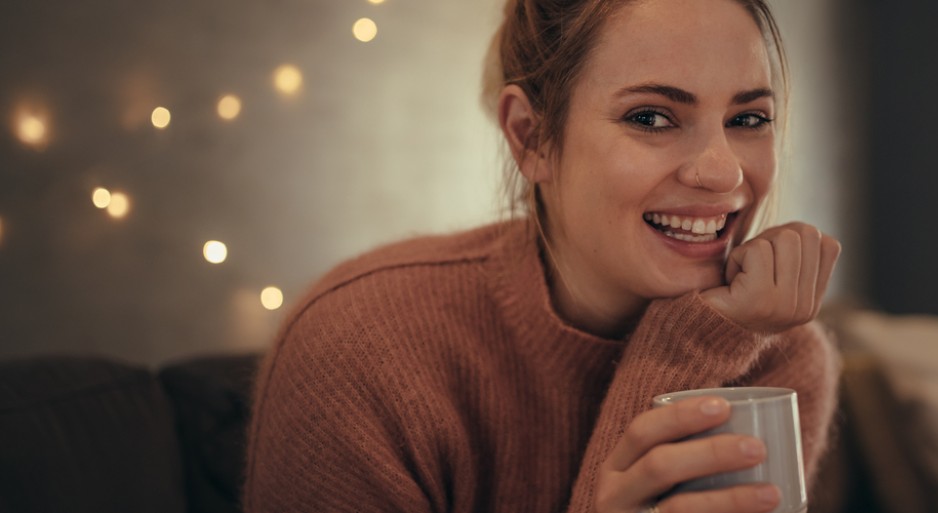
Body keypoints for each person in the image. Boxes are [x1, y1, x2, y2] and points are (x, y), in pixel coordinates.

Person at [243, 0, 842, 511]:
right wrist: (687, 350)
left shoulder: (777, 355)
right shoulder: (361, 347)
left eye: (748, 118)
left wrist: (693, 344)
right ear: (531, 137)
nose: (724, 170)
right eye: (651, 117)